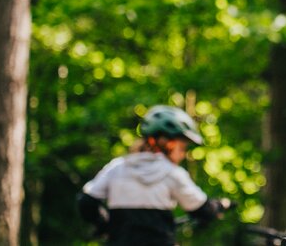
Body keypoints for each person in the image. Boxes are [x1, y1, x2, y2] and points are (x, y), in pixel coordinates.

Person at [77, 105, 229, 246]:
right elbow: (203, 209)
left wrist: (104, 224)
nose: (183, 154)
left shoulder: (117, 168)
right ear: (168, 144)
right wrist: (220, 205)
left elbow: (86, 203)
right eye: (183, 147)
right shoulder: (172, 173)